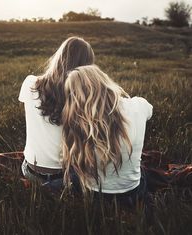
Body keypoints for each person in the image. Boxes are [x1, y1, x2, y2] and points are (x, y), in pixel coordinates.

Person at [61, 64, 153, 206]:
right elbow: (150, 111)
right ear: (105, 81)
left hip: (93, 195)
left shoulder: (75, 119)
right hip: (133, 192)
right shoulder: (138, 105)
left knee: (71, 174)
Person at [18, 37, 95, 191]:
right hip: (66, 176)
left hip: (30, 172)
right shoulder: (86, 97)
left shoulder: (30, 83)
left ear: (59, 58)